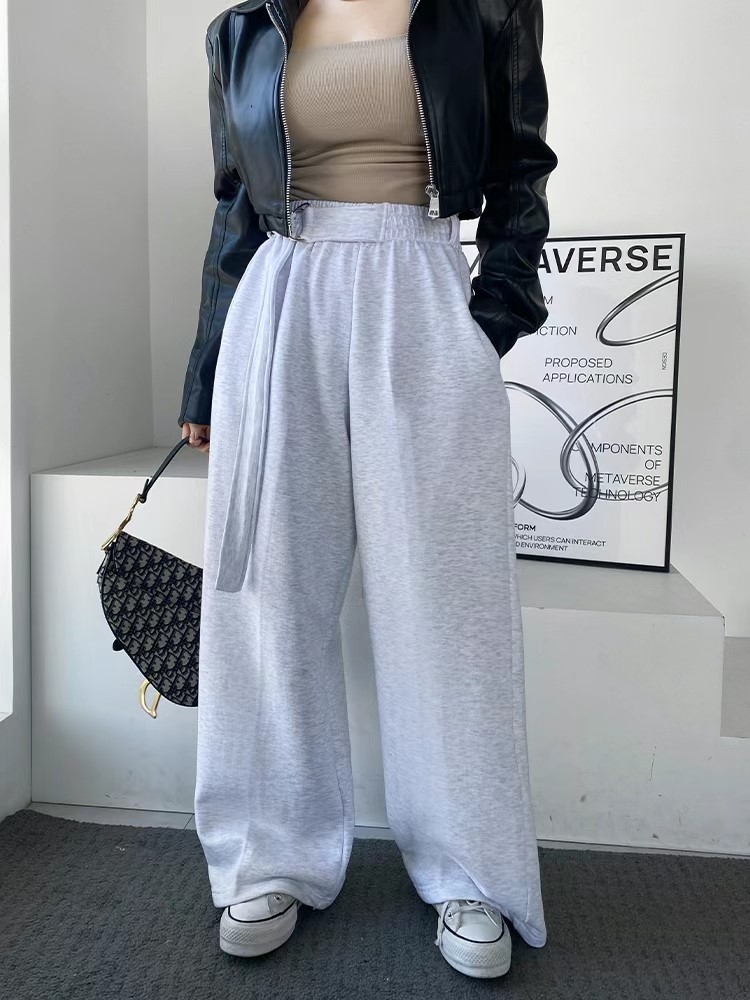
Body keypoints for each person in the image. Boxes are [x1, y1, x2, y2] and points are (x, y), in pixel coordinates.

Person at [178, 0, 557, 980]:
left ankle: (470, 869)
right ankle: (270, 852)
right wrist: (206, 372)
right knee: (268, 597)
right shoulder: (244, 29)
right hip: (280, 296)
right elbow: (236, 205)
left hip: (421, 285)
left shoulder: (486, 9)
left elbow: (521, 170)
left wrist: (490, 320)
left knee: (448, 601)